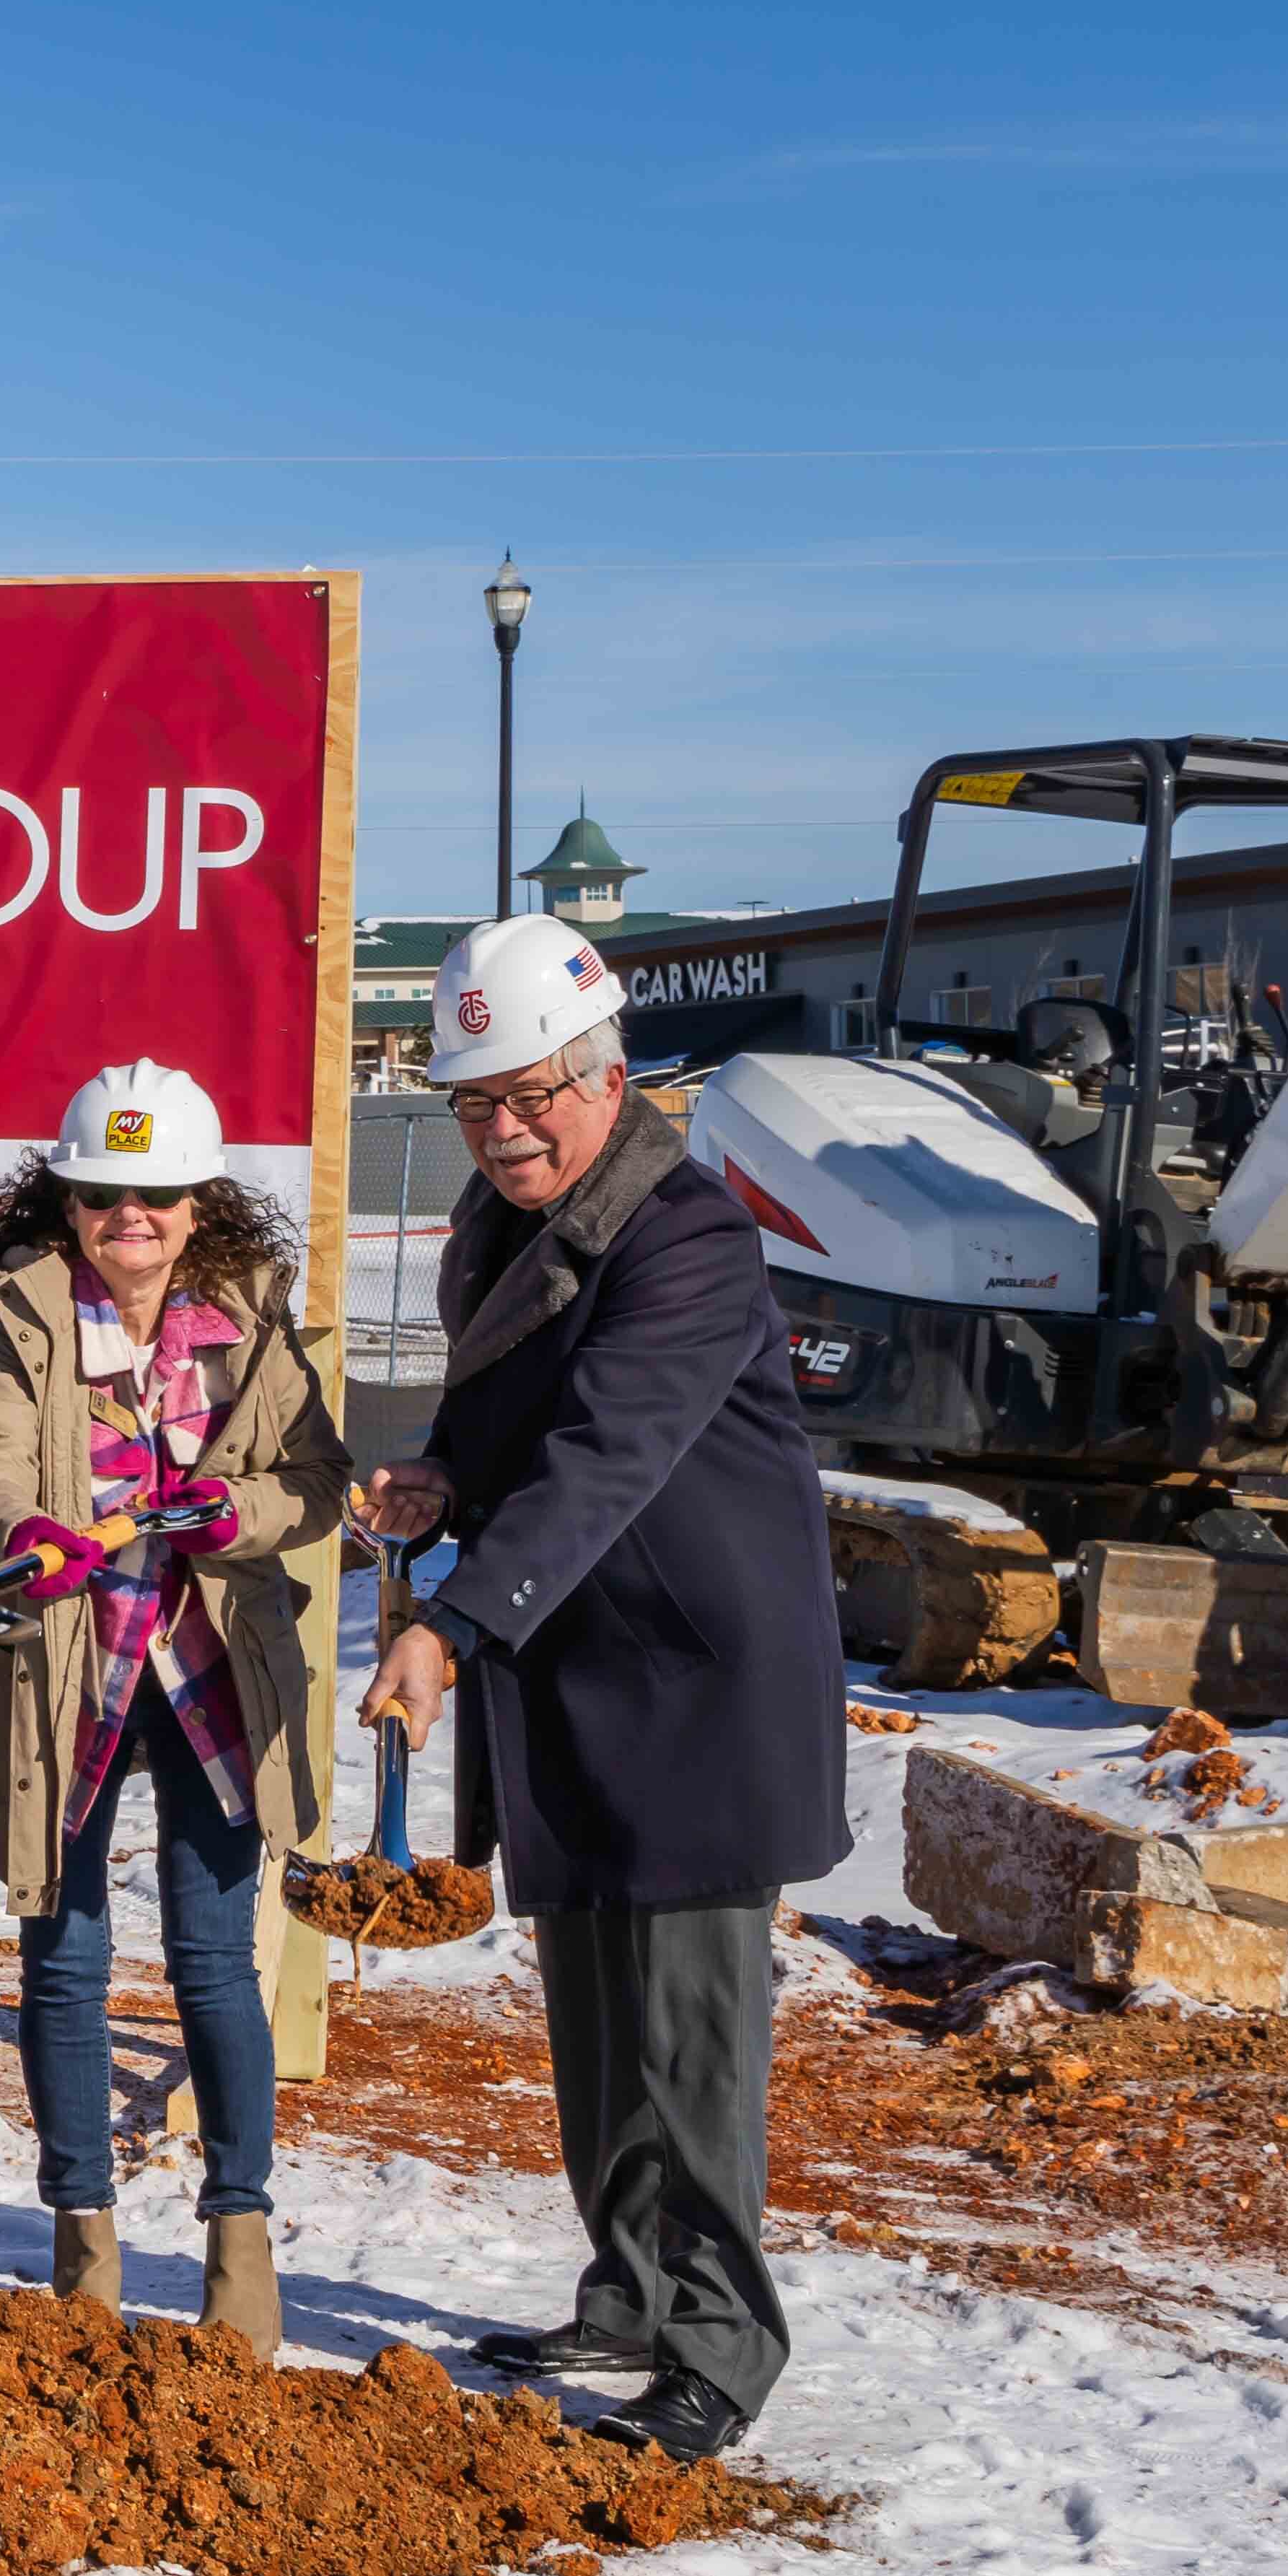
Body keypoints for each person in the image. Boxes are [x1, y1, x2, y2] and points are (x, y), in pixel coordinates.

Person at [359, 915, 844, 2461]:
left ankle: (718, 2340)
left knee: (690, 2036)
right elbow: (516, 1441)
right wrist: (440, 1480)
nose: (504, 1128)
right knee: (593, 2020)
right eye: (477, 1102)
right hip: (570, 1671)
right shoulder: (496, 1236)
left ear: (607, 1076)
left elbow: (606, 1456)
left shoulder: (687, 1238)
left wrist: (449, 1628)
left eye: (531, 1094)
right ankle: (628, 2287)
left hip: (693, 1689)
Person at [0, 1060, 349, 2357]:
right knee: (62, 1962)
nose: (133, 1217)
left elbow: (314, 1476)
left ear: (198, 1202)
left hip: (213, 1666)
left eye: (158, 1194)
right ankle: (83, 2243)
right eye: (107, 1194)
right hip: (73, 1665)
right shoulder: (13, 1315)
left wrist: (248, 1516)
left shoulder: (257, 1319)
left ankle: (238, 2235)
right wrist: (24, 1529)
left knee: (214, 1965)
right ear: (67, 1202)